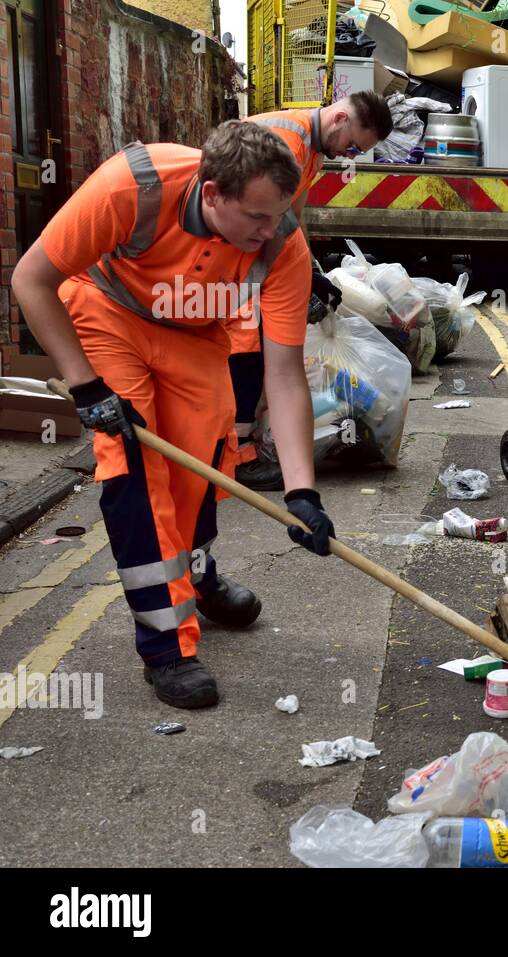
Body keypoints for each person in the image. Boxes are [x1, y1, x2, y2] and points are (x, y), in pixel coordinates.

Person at [11, 122, 337, 709]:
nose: (273, 231)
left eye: (280, 215)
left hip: (193, 333)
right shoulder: (132, 188)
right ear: (212, 195)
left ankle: (196, 575)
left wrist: (302, 491)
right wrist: (87, 388)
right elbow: (31, 279)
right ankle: (166, 648)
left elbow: (284, 373)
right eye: (257, 217)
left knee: (202, 468)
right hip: (110, 314)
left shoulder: (283, 242)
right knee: (136, 474)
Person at [232, 90, 394, 490]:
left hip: (251, 254)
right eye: (354, 146)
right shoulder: (289, 141)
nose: (350, 157)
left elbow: (293, 221)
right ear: (340, 119)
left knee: (253, 346)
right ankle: (236, 455)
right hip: (234, 255)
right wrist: (296, 281)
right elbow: (272, 217)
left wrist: (312, 275)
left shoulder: (311, 150)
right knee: (246, 348)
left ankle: (239, 442)